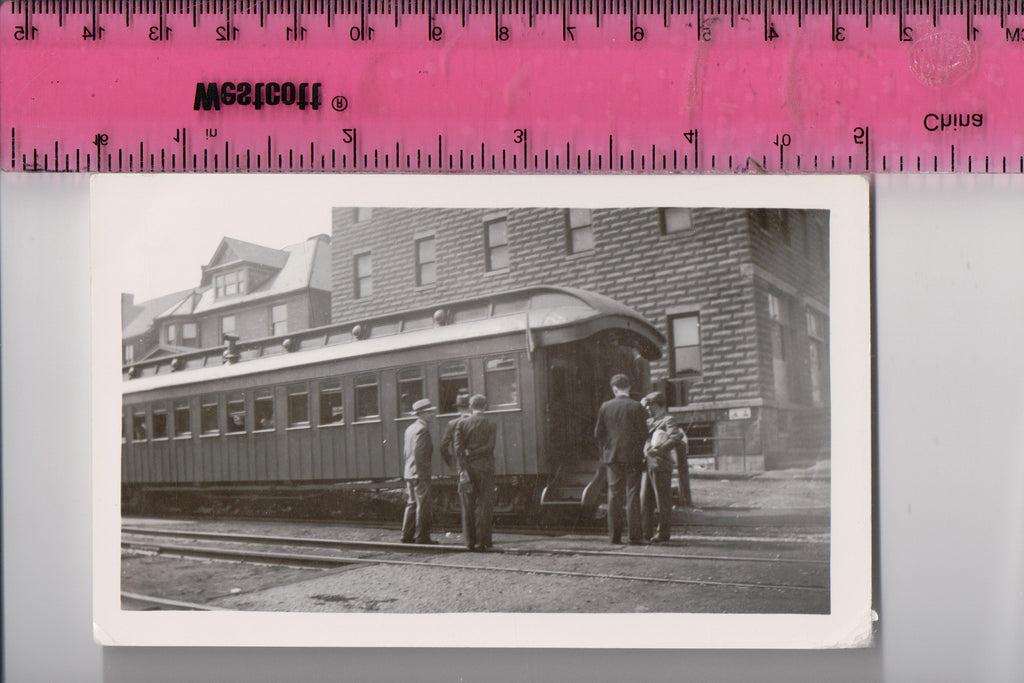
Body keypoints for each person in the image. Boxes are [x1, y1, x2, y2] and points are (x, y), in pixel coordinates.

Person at [593, 374, 648, 545]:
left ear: (614, 389)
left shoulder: (605, 407)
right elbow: (644, 434)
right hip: (633, 458)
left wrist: (608, 448)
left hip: (613, 458)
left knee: (614, 495)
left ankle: (614, 537)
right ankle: (635, 536)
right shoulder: (636, 407)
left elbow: (597, 434)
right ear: (629, 387)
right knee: (632, 494)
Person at [640, 391, 688, 543]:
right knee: (644, 499)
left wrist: (660, 450)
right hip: (647, 464)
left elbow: (676, 436)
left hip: (660, 464)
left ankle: (663, 533)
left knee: (662, 501)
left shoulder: (668, 419)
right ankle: (645, 532)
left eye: (649, 406)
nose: (648, 409)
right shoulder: (649, 421)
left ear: (656, 405)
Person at [453, 394, 497, 551]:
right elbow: (490, 446)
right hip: (485, 468)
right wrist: (476, 452)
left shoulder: (461, 424)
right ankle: (483, 542)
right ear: (485, 406)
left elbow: (458, 449)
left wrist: (463, 467)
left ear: (471, 407)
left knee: (467, 505)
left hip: (467, 469)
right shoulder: (491, 423)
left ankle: (469, 542)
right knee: (485, 505)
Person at [401, 398, 438, 545]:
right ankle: (422, 537)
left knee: (412, 504)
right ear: (421, 414)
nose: (432, 415)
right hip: (419, 473)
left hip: (409, 472)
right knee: (423, 505)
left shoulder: (410, 428)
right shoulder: (422, 430)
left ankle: (406, 535)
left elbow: (406, 452)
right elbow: (420, 454)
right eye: (429, 412)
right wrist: (423, 474)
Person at [439, 393, 471, 471]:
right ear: (471, 407)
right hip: (480, 465)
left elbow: (443, 447)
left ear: (458, 408)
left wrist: (451, 463)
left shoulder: (452, 424)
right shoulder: (480, 422)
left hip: (461, 464)